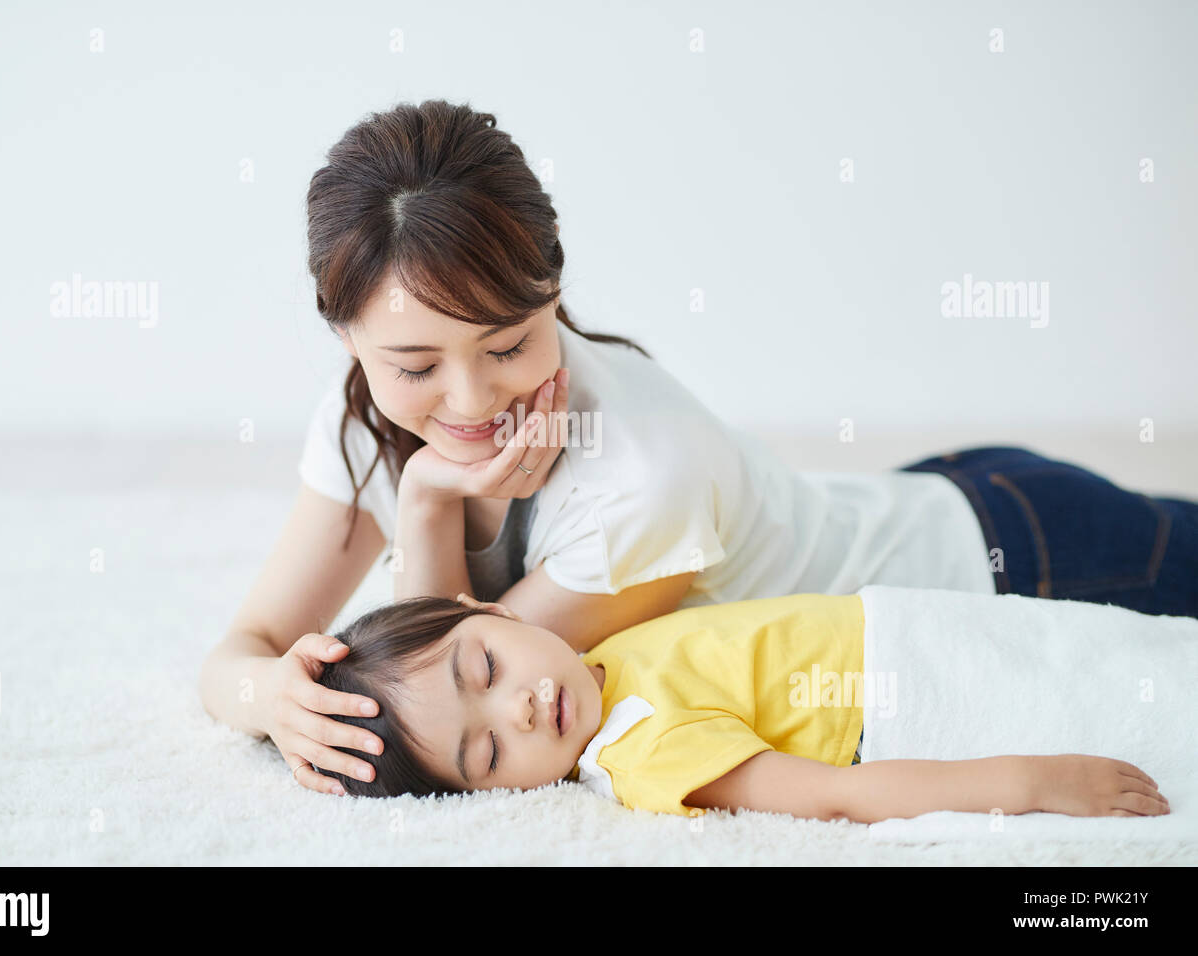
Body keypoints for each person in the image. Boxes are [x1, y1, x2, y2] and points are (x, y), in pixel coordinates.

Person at [198, 98, 1198, 795]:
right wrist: (269, 695)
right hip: (912, 502)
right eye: (415, 365)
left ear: (554, 287)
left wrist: (422, 502)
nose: (469, 401)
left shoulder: (644, 474)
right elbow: (245, 652)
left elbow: (490, 660)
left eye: (507, 344)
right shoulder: (362, 419)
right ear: (346, 337)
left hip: (1009, 557)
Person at [305, 591, 1177, 823]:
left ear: (489, 610)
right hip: (908, 688)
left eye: (486, 667)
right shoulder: (638, 750)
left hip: (916, 623)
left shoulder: (596, 659)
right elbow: (831, 795)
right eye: (488, 755)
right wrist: (1023, 782)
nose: (519, 712)